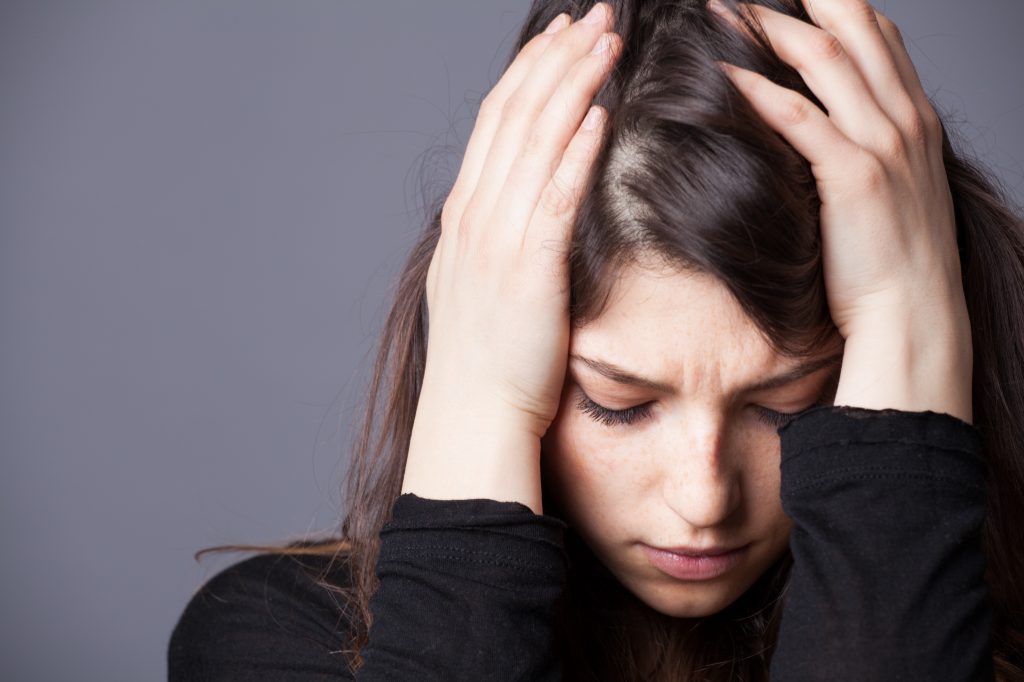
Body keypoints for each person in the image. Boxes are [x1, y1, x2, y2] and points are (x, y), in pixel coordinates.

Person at [168, 0, 1024, 679]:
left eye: (787, 404)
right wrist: (479, 399)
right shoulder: (276, 639)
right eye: (618, 404)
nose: (704, 500)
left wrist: (907, 308)